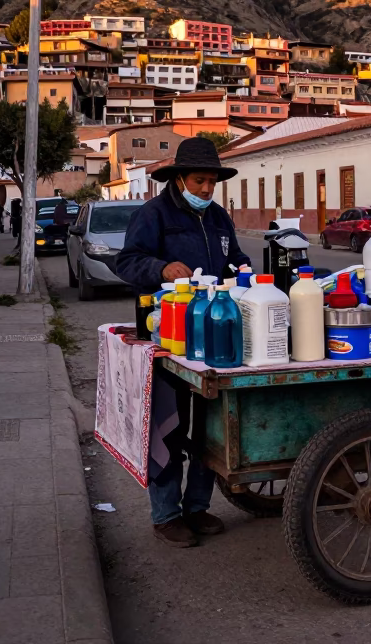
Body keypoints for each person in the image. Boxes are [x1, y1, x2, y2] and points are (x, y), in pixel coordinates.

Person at [116, 136, 250, 547]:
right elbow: (126, 262)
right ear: (179, 179)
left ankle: (197, 506)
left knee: (211, 429)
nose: (207, 190)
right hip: (170, 340)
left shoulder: (219, 218)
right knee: (170, 430)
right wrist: (161, 268)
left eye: (212, 182)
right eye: (199, 181)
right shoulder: (153, 215)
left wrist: (242, 269)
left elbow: (235, 258)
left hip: (213, 338)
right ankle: (166, 514)